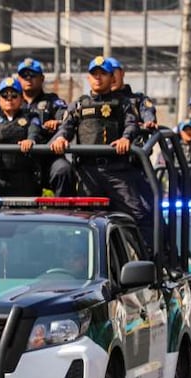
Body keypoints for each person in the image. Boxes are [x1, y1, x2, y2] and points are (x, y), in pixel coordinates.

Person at [51, 56, 152, 242]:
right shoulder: (79, 105)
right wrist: (60, 138)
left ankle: (148, 263)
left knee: (139, 216)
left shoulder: (123, 103)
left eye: (103, 74)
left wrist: (125, 138)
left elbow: (132, 125)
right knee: (85, 221)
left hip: (117, 171)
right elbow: (66, 127)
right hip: (87, 172)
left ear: (112, 78)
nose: (98, 78)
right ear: (88, 78)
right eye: (94, 74)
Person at [17, 57, 76, 196]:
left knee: (63, 170)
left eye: (33, 75)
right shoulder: (12, 100)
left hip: (48, 157)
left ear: (42, 78)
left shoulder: (53, 102)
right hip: (19, 159)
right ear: (18, 79)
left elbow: (67, 120)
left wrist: (59, 122)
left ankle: (63, 213)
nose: (28, 79)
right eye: (24, 75)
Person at [105, 57, 157, 138]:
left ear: (122, 73)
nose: (111, 78)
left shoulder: (139, 100)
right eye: (106, 74)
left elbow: (147, 112)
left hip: (133, 148)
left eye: (113, 72)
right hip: (105, 149)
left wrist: (149, 122)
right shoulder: (98, 102)